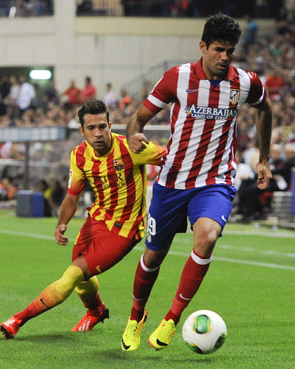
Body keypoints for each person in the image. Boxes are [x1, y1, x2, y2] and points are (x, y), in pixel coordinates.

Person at [121, 13, 273, 352]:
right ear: (202, 47)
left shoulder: (245, 82)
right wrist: (134, 135)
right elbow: (139, 117)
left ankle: (173, 318)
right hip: (172, 181)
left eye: (230, 51)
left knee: (207, 237)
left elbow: (266, 108)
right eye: (218, 50)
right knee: (153, 256)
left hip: (216, 180)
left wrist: (263, 158)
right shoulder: (178, 78)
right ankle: (136, 315)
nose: (224, 57)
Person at [0, 99, 165, 339]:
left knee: (74, 274)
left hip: (124, 231)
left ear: (110, 125)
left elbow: (174, 160)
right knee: (82, 276)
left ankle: (17, 320)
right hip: (95, 221)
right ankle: (96, 311)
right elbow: (72, 195)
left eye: (102, 126)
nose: (98, 133)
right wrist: (61, 224)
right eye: (91, 128)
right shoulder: (79, 155)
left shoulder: (131, 148)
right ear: (82, 130)